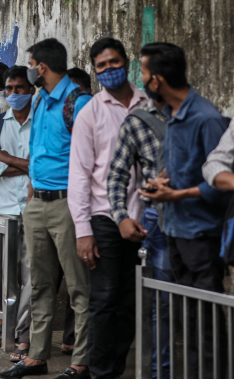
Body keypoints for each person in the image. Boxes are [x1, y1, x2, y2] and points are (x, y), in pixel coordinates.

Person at [0, 38, 92, 379]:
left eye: (31, 64)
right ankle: (36, 356)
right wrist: (32, 198)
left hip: (68, 202)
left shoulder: (79, 102)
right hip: (37, 201)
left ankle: (81, 362)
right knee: (39, 284)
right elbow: (37, 153)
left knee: (79, 287)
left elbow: (90, 161)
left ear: (42, 67)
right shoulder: (39, 99)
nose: (29, 70)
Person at [138, 42, 230, 379]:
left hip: (201, 235)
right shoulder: (173, 116)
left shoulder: (205, 118)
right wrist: (161, 183)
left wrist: (176, 194)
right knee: (188, 319)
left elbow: (219, 184)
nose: (142, 81)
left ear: (158, 79)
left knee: (206, 321)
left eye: (144, 73)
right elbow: (182, 168)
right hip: (174, 230)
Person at [66, 38, 147, 379]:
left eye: (114, 62)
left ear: (126, 62)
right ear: (95, 72)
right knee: (105, 298)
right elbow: (79, 175)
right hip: (104, 217)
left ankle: (116, 367)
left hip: (145, 217)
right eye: (102, 65)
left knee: (130, 301)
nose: (109, 69)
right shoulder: (91, 113)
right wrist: (83, 231)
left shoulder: (149, 104)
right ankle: (101, 371)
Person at [107, 83, 172, 379]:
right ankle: (159, 372)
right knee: (159, 301)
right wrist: (121, 216)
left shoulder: (201, 116)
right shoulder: (138, 121)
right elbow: (117, 174)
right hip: (156, 218)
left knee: (201, 298)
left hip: (196, 219)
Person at [0, 66, 34, 356]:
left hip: (34, 207)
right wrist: (27, 165)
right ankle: (10, 330)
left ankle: (23, 335)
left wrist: (8, 159)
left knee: (31, 276)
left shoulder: (41, 123)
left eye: (20, 88)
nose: (14, 94)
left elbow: (44, 164)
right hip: (4, 209)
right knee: (7, 276)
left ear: (31, 90)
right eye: (9, 89)